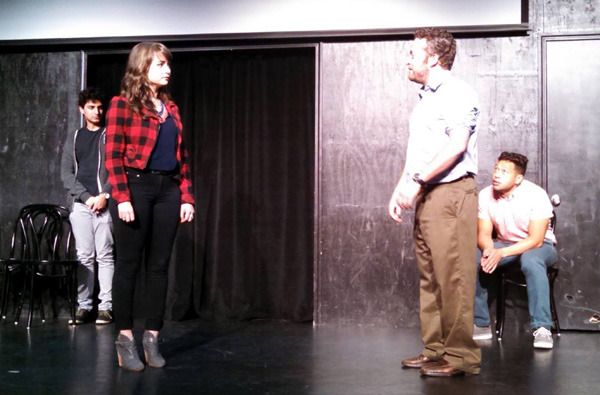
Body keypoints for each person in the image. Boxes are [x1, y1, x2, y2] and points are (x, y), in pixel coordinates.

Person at [388, 27, 481, 377]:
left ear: (435, 58)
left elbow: (456, 146)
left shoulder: (458, 93)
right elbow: (420, 153)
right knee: (430, 277)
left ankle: (460, 357)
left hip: (451, 193)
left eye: (413, 53)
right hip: (427, 192)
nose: (408, 59)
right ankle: (435, 349)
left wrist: (417, 182)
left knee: (453, 277)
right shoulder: (427, 97)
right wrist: (401, 188)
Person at [105, 42, 195, 372]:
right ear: (142, 67)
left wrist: (186, 196)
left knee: (158, 267)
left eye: (167, 64)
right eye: (160, 64)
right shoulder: (121, 105)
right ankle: (125, 340)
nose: (167, 69)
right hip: (136, 186)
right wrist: (123, 197)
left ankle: (152, 338)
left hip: (168, 190)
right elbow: (113, 154)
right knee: (128, 265)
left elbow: (181, 159)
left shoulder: (170, 109)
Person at [473, 152, 557, 349]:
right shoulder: (485, 195)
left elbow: (535, 240)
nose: (496, 175)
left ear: (518, 178)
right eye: (496, 169)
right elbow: (484, 233)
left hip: (541, 245)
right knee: (477, 259)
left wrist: (501, 253)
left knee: (530, 260)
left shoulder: (536, 195)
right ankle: (481, 323)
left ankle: (542, 328)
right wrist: (489, 249)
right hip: (504, 243)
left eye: (504, 171)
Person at [60, 87, 114, 325]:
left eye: (100, 107)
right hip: (82, 205)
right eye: (91, 107)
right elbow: (66, 173)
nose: (97, 111)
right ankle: (84, 307)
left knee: (105, 255)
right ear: (82, 110)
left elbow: (117, 169)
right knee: (84, 256)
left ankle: (106, 307)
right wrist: (86, 197)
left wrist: (104, 195)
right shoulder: (74, 137)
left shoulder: (110, 135)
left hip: (104, 203)